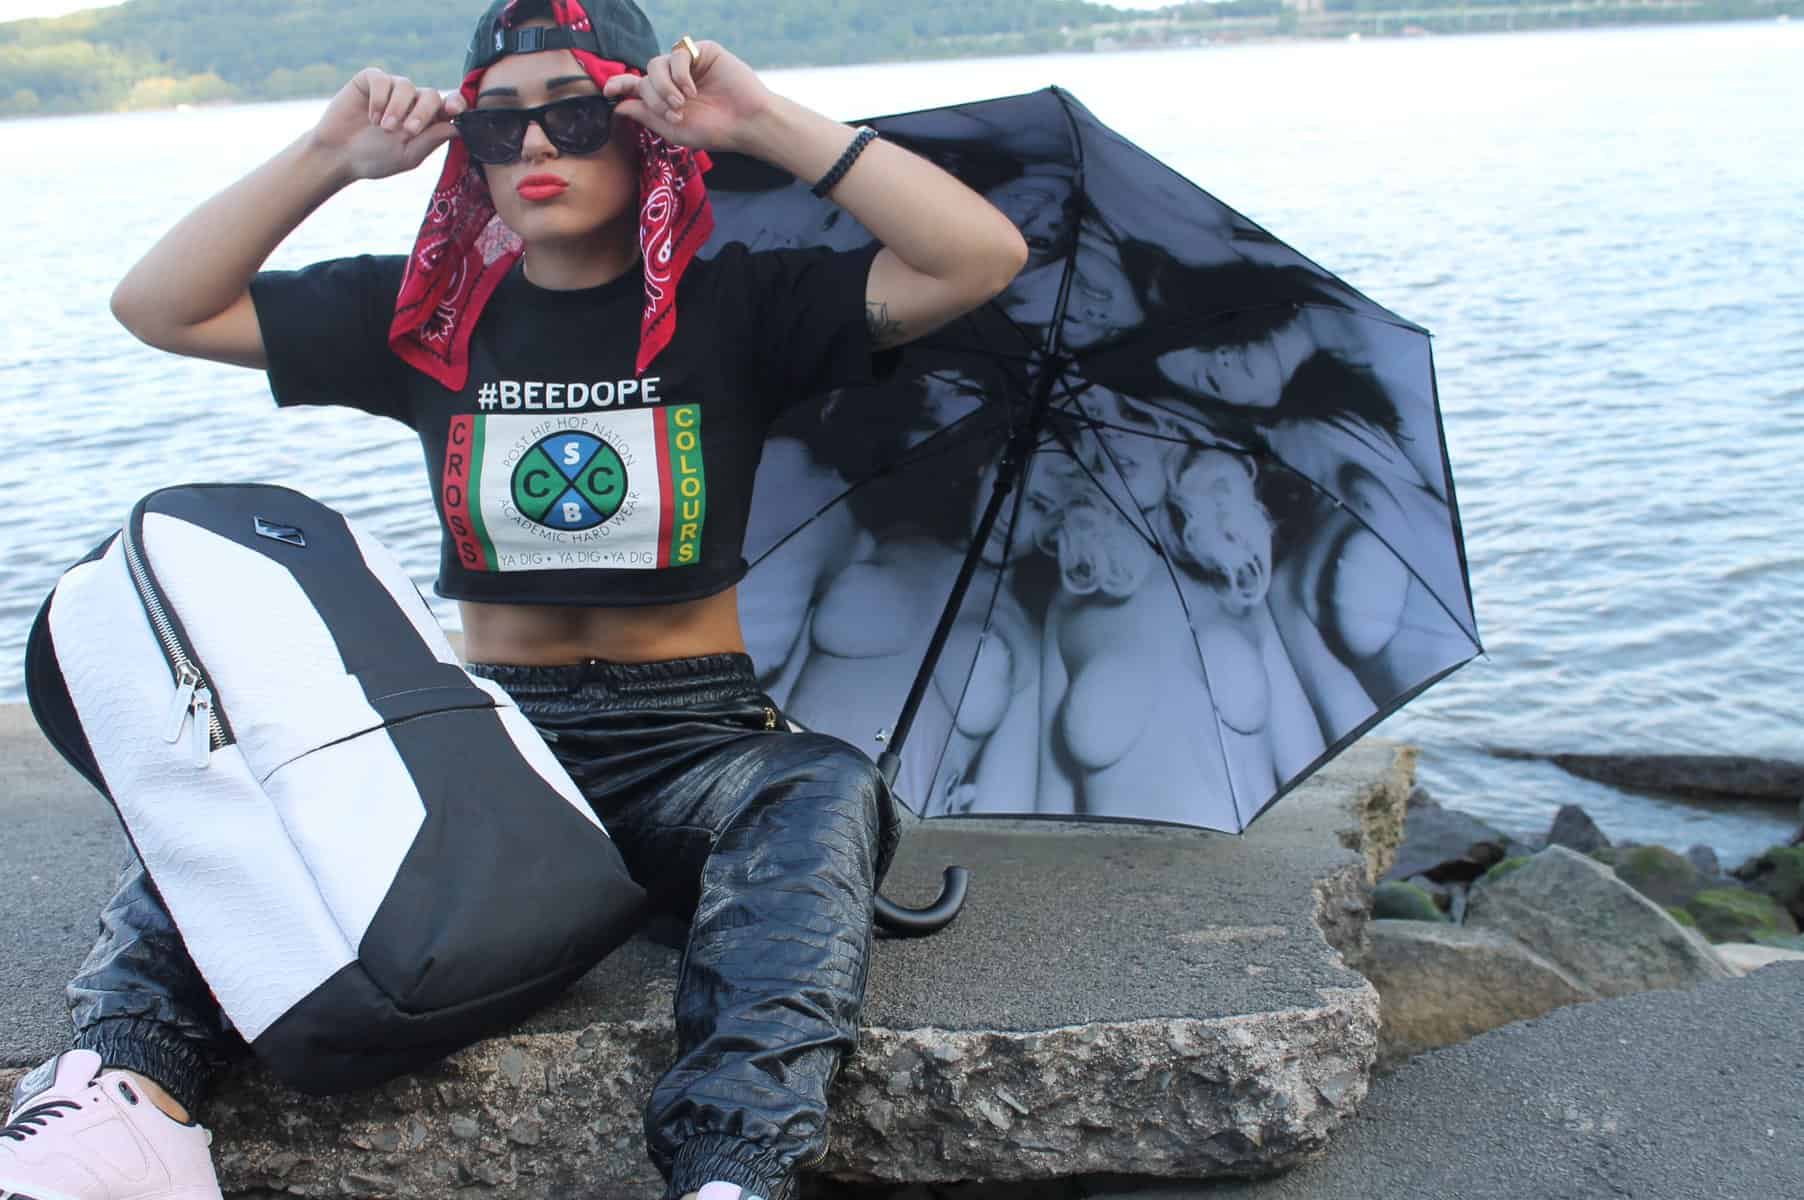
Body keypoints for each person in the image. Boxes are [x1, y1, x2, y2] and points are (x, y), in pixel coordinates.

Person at [0, 3, 1026, 1200]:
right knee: (256, 788)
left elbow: (977, 257)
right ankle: (127, 1093)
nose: (535, 145)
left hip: (688, 744)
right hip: (485, 742)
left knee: (820, 785)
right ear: (468, 155)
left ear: (641, 128)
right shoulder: (427, 319)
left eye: (575, 116)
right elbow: (160, 307)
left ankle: (733, 1169)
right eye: (496, 126)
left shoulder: (742, 307)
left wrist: (761, 121)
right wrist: (329, 155)